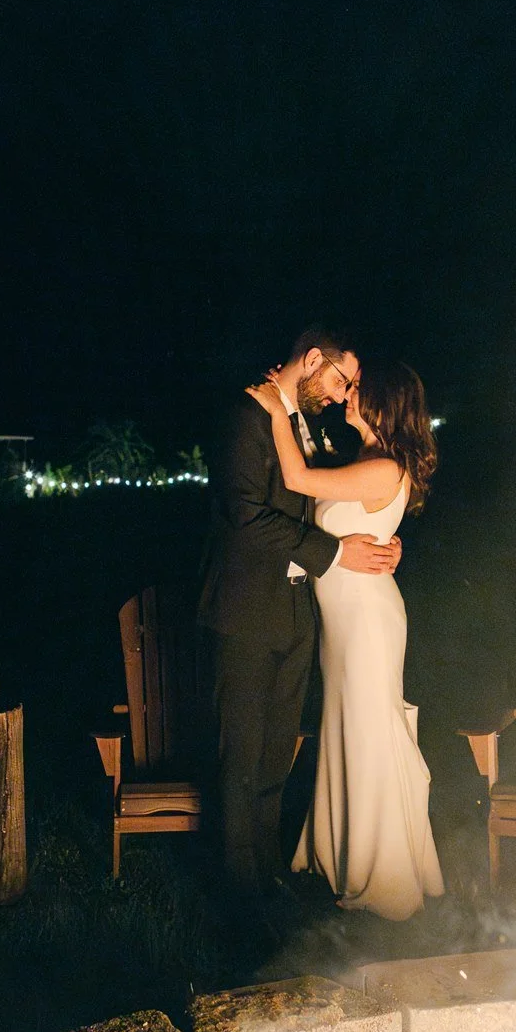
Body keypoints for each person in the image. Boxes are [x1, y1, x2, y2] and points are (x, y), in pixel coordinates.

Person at [197, 328, 399, 896]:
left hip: (294, 614)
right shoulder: (245, 414)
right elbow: (247, 516)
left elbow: (329, 500)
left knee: (273, 763)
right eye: (340, 381)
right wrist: (337, 554)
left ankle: (265, 881)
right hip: (243, 615)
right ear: (312, 360)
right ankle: (240, 906)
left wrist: (380, 536)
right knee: (239, 765)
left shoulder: (302, 425)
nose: (342, 396)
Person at [245, 358, 445, 921]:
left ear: (384, 404)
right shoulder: (364, 461)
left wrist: (277, 408)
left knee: (368, 735)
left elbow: (297, 480)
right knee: (345, 732)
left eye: (359, 389)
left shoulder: (382, 467)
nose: (349, 395)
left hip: (366, 623)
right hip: (346, 622)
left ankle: (382, 880)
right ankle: (340, 855)